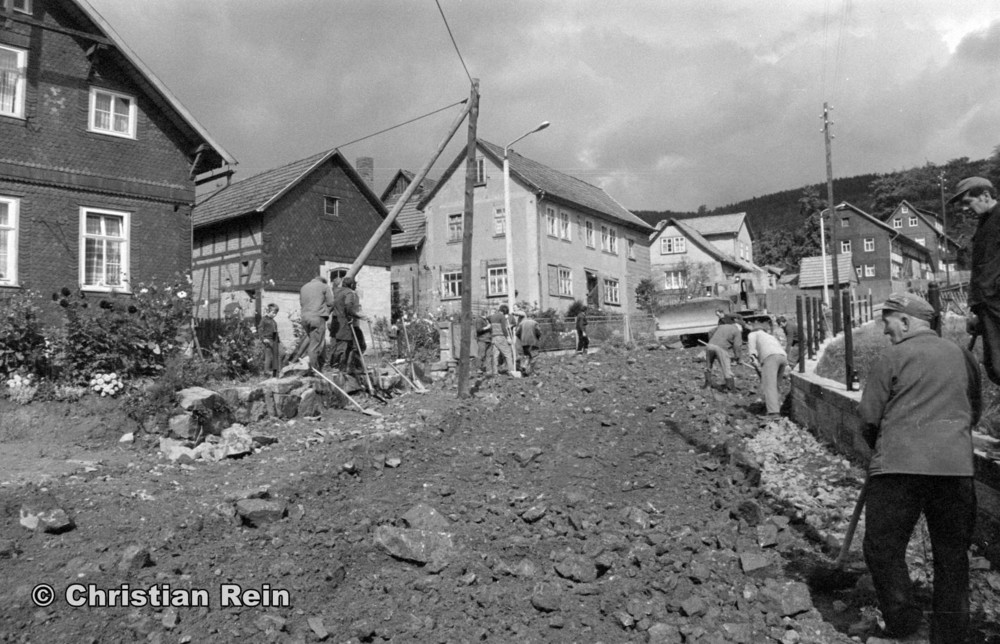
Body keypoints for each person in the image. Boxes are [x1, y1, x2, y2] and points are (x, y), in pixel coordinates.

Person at [859, 292, 982, 644]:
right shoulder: (962, 356)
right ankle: (950, 634)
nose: (884, 330)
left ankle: (904, 623)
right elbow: (973, 412)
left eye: (887, 321)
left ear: (905, 321)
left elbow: (869, 417)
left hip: (898, 470)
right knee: (952, 555)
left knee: (882, 548)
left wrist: (883, 449)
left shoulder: (892, 356)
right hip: (955, 470)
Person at [949, 176, 1000, 385]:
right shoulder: (984, 223)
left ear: (985, 196)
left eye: (967, 202)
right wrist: (977, 310)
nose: (963, 209)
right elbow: (982, 269)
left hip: (996, 304)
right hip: (988, 307)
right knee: (995, 367)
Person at [746, 317, 787, 416]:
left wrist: (754, 360)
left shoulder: (752, 334)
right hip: (783, 357)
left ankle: (774, 414)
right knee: (776, 385)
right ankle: (779, 405)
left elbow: (752, 352)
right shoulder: (769, 336)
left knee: (769, 386)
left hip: (770, 358)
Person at [331, 276, 367, 374]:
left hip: (336, 321)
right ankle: (343, 367)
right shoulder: (349, 293)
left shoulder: (336, 291)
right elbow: (348, 307)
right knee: (350, 345)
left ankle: (343, 367)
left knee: (342, 345)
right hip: (345, 322)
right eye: (354, 284)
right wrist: (357, 316)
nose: (355, 286)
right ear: (351, 285)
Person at [299, 274, 335, 371]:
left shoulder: (304, 287)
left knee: (316, 341)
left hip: (305, 318)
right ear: (323, 281)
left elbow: (301, 303)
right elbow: (331, 303)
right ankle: (314, 370)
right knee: (315, 346)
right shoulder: (324, 286)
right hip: (317, 317)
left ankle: (322, 365)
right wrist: (326, 312)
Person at [704, 314, 742, 391]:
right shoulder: (737, 331)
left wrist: (712, 341)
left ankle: (707, 385)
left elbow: (710, 332)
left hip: (709, 346)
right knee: (726, 367)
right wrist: (737, 357)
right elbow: (737, 346)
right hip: (721, 348)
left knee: (708, 366)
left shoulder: (721, 326)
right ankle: (730, 389)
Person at [488, 304, 515, 376]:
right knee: (508, 354)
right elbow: (504, 328)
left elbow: (491, 327)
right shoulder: (502, 317)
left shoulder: (492, 316)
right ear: (504, 311)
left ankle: (495, 372)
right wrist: (508, 337)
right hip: (501, 337)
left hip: (494, 337)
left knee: (495, 355)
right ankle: (511, 371)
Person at [515, 310, 542, 376]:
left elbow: (517, 333)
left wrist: (522, 338)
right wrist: (538, 337)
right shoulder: (535, 323)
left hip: (524, 343)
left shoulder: (522, 323)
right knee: (534, 357)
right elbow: (538, 332)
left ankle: (523, 369)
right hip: (533, 343)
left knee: (526, 356)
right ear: (532, 316)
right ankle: (532, 372)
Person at [259, 303, 282, 377]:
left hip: (275, 340)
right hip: (268, 340)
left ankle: (277, 371)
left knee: (279, 354)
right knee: (269, 356)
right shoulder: (264, 319)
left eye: (276, 313)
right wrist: (263, 338)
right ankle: (266, 371)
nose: (275, 315)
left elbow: (275, 332)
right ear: (268, 311)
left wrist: (279, 342)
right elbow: (260, 329)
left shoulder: (274, 321)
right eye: (273, 313)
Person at [475, 309, 493, 374]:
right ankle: (478, 369)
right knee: (481, 355)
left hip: (488, 339)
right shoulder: (479, 320)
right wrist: (487, 327)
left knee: (489, 355)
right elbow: (478, 330)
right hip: (482, 340)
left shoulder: (486, 320)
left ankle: (489, 369)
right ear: (485, 313)